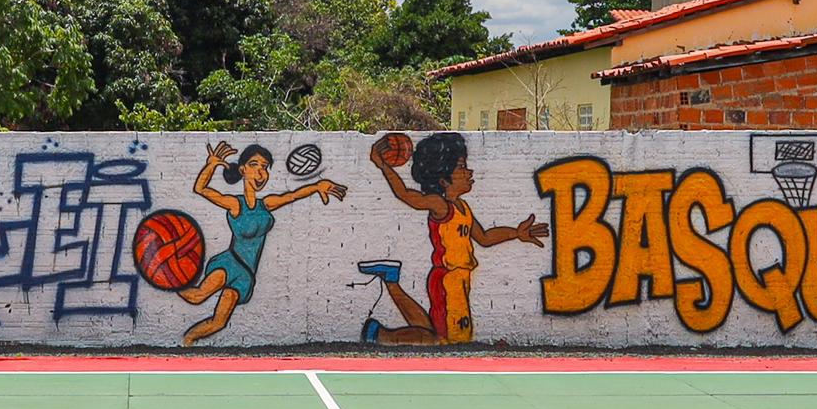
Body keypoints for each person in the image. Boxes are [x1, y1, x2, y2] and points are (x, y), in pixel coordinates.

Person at [361, 129, 543, 345]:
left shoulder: (462, 207)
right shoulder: (441, 205)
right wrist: (383, 165)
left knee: (432, 328)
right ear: (443, 180)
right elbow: (407, 196)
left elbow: (483, 237)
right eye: (462, 167)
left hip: (458, 276)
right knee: (445, 340)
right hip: (448, 278)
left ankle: (391, 283)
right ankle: (382, 336)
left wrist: (516, 233)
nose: (469, 172)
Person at [169, 140, 346, 345]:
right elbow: (201, 189)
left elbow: (292, 196)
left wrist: (316, 186)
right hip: (231, 262)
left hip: (246, 275)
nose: (261, 172)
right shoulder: (236, 204)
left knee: (219, 322)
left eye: (264, 167)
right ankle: (167, 276)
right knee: (198, 295)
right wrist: (211, 164)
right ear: (243, 169)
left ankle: (187, 342)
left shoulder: (267, 204)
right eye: (254, 165)